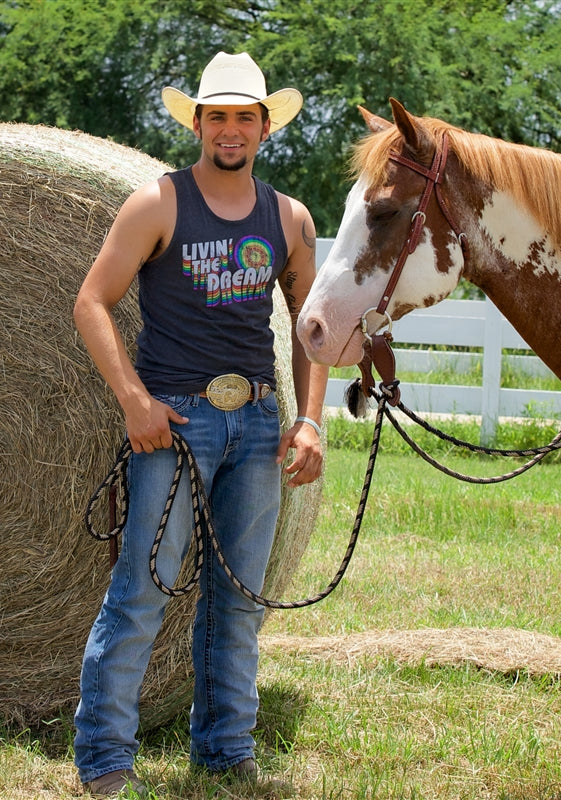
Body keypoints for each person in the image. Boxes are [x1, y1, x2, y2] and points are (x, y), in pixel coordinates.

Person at [71, 51, 329, 797]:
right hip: (175, 422)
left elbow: (312, 329)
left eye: (244, 116)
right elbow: (92, 301)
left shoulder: (289, 218)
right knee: (142, 591)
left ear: (264, 126)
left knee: (240, 597)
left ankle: (224, 750)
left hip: (255, 423)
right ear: (197, 123)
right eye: (216, 115)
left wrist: (309, 421)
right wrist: (133, 400)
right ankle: (104, 760)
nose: (230, 129)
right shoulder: (156, 204)